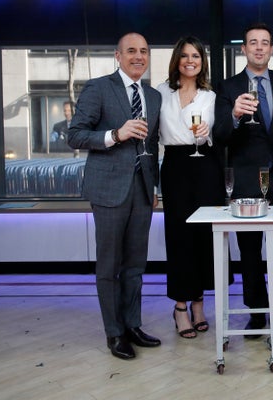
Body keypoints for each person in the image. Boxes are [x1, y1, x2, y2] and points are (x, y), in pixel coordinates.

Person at [67, 32, 162, 360]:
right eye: (132, 51)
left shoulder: (152, 95)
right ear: (118, 56)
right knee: (109, 265)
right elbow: (75, 135)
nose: (139, 56)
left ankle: (133, 324)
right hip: (109, 188)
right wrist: (114, 134)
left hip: (141, 189)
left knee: (136, 264)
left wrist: (154, 187)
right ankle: (114, 332)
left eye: (144, 51)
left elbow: (150, 146)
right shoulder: (99, 88)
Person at [213, 22, 273, 338]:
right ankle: (255, 312)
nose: (258, 47)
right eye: (252, 42)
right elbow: (219, 136)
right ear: (244, 48)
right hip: (245, 181)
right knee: (250, 252)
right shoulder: (227, 87)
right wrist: (235, 115)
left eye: (264, 42)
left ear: (271, 48)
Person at [156, 35, 224, 339]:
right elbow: (152, 138)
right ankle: (180, 307)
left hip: (206, 166)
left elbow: (217, 136)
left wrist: (206, 134)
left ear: (202, 62)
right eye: (185, 56)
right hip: (175, 167)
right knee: (179, 237)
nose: (190, 61)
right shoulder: (160, 93)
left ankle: (199, 304)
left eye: (196, 56)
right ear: (177, 60)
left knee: (203, 238)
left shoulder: (210, 96)